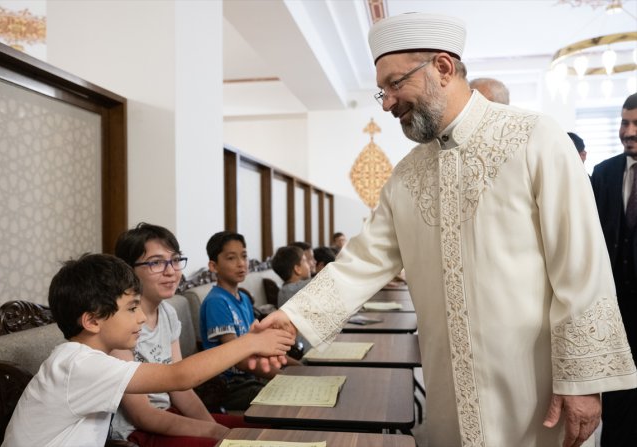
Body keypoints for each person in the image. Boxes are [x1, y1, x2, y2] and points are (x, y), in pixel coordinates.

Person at [256, 12, 636, 447]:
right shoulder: (405, 177)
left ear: (442, 66)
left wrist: (584, 380)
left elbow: (580, 265)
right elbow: (358, 265)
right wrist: (288, 319)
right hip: (449, 392)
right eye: (382, 90)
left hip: (536, 393)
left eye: (395, 84)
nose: (386, 102)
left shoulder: (535, 137)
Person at [2, 253, 293, 447]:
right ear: (92, 320)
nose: (141, 317)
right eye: (131, 308)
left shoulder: (84, 359)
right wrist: (251, 342)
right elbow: (179, 376)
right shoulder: (78, 364)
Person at [110, 223, 255, 447]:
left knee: (258, 431)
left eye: (175, 260)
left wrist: (216, 429)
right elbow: (142, 415)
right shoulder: (120, 325)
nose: (171, 271)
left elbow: (181, 389)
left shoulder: (167, 313)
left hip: (171, 414)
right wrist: (213, 431)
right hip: (136, 432)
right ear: (128, 270)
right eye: (156, 262)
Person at [199, 231, 299, 411]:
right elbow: (240, 360)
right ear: (213, 266)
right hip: (230, 385)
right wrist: (287, 377)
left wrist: (299, 367)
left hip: (250, 377)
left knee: (303, 380)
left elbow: (260, 347)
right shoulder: (216, 302)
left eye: (244, 256)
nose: (241, 264)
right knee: (291, 395)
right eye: (231, 258)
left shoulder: (243, 299)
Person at [591, 93, 637, 447]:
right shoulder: (604, 173)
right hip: (613, 318)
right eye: (624, 122)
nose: (629, 131)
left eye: (636, 124)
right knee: (617, 410)